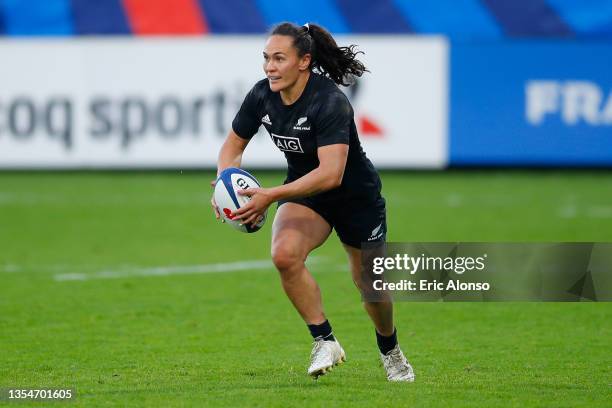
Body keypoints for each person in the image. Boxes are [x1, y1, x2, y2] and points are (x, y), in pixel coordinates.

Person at [211, 22, 414, 382]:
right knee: (284, 255)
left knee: (371, 287)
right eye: (266, 58)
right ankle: (324, 339)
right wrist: (225, 184)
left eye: (278, 58)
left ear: (304, 61)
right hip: (307, 195)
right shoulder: (261, 96)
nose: (269, 67)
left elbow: (331, 174)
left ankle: (390, 349)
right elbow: (232, 147)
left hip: (355, 198)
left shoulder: (330, 101)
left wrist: (270, 195)